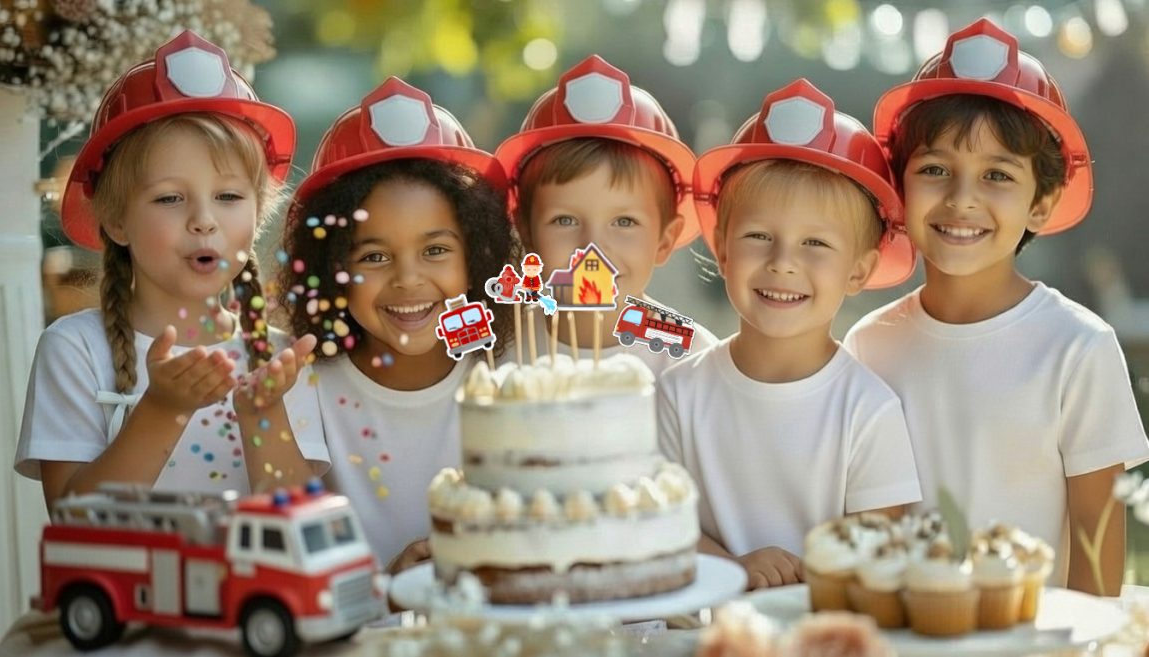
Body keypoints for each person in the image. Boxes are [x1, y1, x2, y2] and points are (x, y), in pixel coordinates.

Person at [844, 19, 1149, 595]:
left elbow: (1097, 539)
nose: (962, 199)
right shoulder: (867, 344)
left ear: (1042, 202)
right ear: (899, 187)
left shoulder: (1078, 348)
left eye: (997, 176)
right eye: (934, 169)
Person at [15, 31, 328, 511]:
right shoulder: (75, 350)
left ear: (257, 215)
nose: (204, 219)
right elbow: (72, 519)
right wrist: (163, 409)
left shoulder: (281, 362)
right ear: (116, 220)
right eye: (169, 198)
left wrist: (261, 411)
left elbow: (300, 523)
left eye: (228, 197)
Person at [658, 79, 922, 589]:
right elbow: (660, 526)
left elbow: (880, 559)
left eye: (815, 244)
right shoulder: (679, 392)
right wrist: (733, 569)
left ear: (858, 271)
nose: (783, 264)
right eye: (759, 237)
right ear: (722, 249)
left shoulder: (867, 410)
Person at [278, 78, 516, 573]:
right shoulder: (302, 385)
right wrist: (387, 587)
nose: (408, 279)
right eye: (375, 255)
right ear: (331, 267)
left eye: (435, 250)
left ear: (477, 255)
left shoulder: (513, 375)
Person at [495, 55, 717, 376]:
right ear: (525, 231)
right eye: (565, 220)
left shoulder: (694, 362)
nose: (593, 249)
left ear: (664, 241)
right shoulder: (499, 349)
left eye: (624, 222)